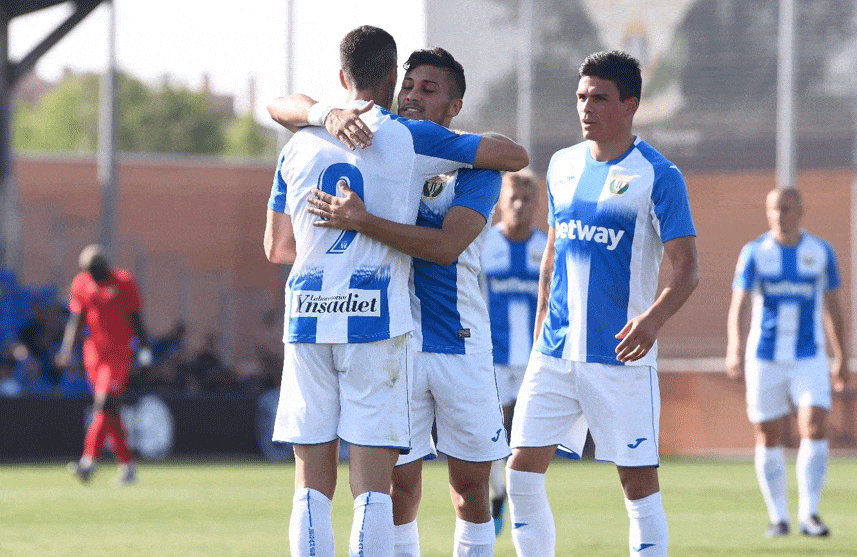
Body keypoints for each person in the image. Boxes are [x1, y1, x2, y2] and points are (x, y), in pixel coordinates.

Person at [264, 28, 527, 557]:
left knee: (470, 491)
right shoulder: (398, 140)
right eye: (407, 84)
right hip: (392, 335)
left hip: (457, 341)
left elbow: (450, 243)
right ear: (390, 82)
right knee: (391, 488)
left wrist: (361, 222)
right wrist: (326, 114)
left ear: (455, 104)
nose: (412, 96)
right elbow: (284, 106)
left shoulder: (467, 165)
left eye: (428, 89)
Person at [505, 51, 699, 557]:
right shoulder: (562, 165)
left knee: (638, 488)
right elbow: (552, 252)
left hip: (620, 357)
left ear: (631, 104)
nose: (586, 107)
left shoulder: (659, 175)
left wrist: (651, 323)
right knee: (520, 473)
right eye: (581, 97)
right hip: (553, 352)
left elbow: (688, 269)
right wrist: (543, 324)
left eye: (599, 98)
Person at [725, 187, 848, 538]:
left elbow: (833, 308)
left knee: (815, 425)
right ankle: (778, 517)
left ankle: (809, 514)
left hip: (809, 356)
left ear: (801, 211)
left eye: (787, 208)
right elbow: (740, 306)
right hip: (765, 357)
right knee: (769, 433)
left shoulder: (820, 252)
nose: (780, 215)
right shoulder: (754, 253)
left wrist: (841, 357)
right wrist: (734, 349)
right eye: (774, 209)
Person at [478, 170, 547, 534]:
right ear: (501, 203)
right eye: (512, 199)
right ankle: (497, 494)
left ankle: (522, 503)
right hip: (492, 357)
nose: (519, 206)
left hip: (537, 359)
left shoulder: (546, 246)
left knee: (529, 438)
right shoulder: (484, 245)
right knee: (492, 433)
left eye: (527, 199)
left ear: (537, 204)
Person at [56, 244, 151, 485]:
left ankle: (88, 461)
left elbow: (137, 319)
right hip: (93, 355)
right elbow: (77, 319)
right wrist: (67, 349)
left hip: (118, 354)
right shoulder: (81, 283)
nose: (94, 276)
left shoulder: (124, 281)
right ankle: (128, 467)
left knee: (103, 402)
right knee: (110, 411)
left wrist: (145, 352)